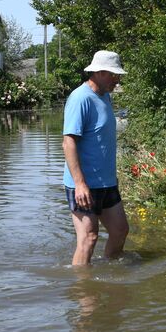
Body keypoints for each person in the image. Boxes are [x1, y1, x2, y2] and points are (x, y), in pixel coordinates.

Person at [62, 49, 129, 266]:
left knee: (120, 231)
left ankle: (110, 273)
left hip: (106, 182)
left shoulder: (105, 96)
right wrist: (80, 184)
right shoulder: (80, 98)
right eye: (113, 75)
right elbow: (68, 142)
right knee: (89, 237)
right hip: (83, 184)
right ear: (98, 72)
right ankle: (83, 289)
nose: (117, 80)